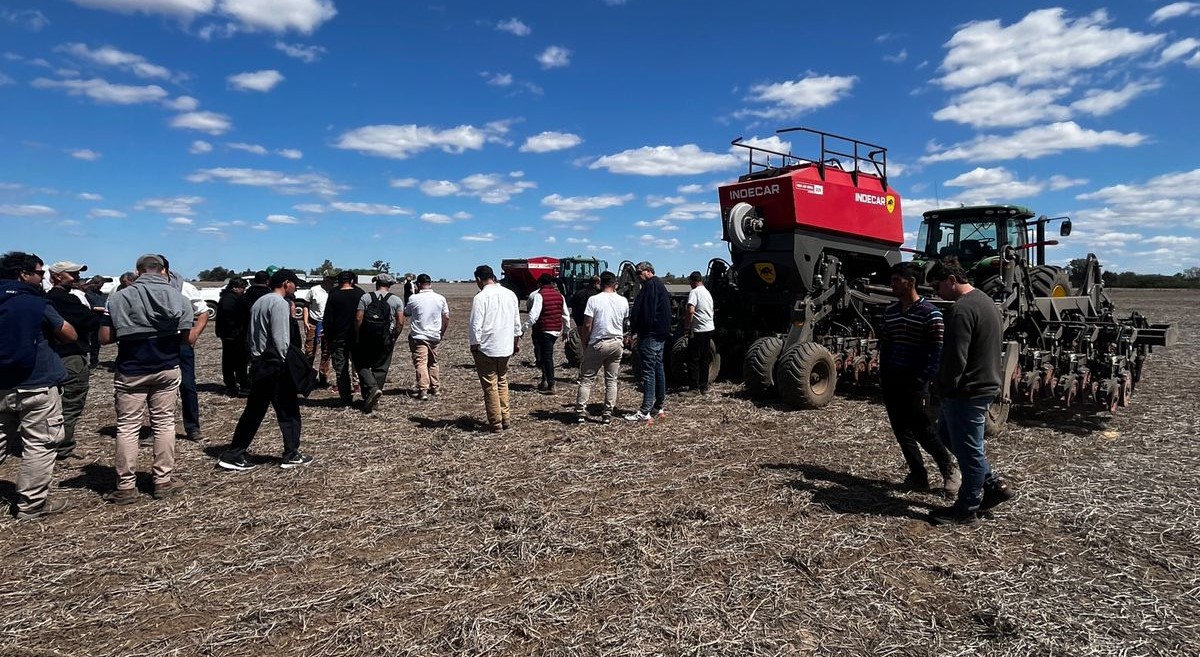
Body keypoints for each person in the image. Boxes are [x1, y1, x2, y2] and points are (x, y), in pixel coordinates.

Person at [100, 254, 206, 504]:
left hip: (131, 368)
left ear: (138, 272)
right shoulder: (178, 297)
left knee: (127, 427)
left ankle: (125, 486)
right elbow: (188, 339)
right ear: (162, 272)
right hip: (167, 367)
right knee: (165, 424)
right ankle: (162, 481)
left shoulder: (117, 298)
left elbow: (104, 338)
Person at [926, 257, 1014, 526]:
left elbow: (955, 360)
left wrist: (941, 388)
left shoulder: (961, 310)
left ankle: (967, 509)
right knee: (947, 435)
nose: (936, 292)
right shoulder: (986, 302)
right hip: (983, 385)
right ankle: (993, 485)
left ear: (952, 280)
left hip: (967, 391)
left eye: (937, 285)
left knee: (969, 451)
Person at [1, 251, 76, 520]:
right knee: (40, 443)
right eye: (39, 272)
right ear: (24, 275)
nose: (42, 277)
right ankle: (31, 505)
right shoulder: (35, 303)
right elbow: (68, 333)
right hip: (36, 383)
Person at [217, 269, 314, 471]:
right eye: (294, 284)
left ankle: (234, 453)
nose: (295, 288)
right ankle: (291, 453)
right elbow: (281, 339)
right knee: (288, 411)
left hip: (259, 362)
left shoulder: (260, 301)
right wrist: (284, 361)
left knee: (254, 411)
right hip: (274, 365)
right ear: (286, 283)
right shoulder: (279, 303)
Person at [879, 262, 960, 495]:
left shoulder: (930, 314)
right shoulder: (891, 312)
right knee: (900, 430)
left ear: (911, 282)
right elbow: (887, 345)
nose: (892, 285)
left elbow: (937, 350)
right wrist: (883, 375)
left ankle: (950, 470)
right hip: (893, 379)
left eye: (897, 280)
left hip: (916, 382)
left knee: (923, 429)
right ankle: (918, 475)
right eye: (892, 280)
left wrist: (924, 377)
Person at [45, 261, 100, 461]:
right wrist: (95, 315)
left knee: (53, 403)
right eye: (72, 274)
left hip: (53, 355)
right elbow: (89, 321)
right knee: (71, 402)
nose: (76, 277)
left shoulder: (48, 298)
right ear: (58, 276)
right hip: (71, 355)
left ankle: (49, 443)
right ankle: (63, 448)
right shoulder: (64, 299)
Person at [468, 265, 521, 432]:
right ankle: (506, 418)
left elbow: (476, 325)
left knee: (490, 384)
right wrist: (515, 342)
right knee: (502, 381)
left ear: (478, 279)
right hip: (505, 346)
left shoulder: (481, 297)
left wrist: (474, 344)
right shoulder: (510, 294)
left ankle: (495, 422)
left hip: (486, 347)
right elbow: (516, 323)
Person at [161, 255, 207, 442]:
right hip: (156, 341)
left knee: (187, 385)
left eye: (158, 269)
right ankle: (161, 428)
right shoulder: (141, 290)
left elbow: (202, 311)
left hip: (180, 342)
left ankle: (192, 427)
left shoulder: (185, 288)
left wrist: (195, 333)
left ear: (167, 270)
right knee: (159, 387)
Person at [574, 271, 629, 424]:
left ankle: (580, 412)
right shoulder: (623, 301)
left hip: (599, 342)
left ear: (600, 283)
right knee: (611, 380)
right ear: (615, 284)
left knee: (586, 380)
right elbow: (624, 321)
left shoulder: (594, 300)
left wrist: (585, 343)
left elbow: (587, 324)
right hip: (617, 342)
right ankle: (607, 413)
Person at [626, 261, 671, 422]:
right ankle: (658, 406)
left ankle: (645, 410)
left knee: (649, 372)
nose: (638, 276)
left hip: (650, 335)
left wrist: (638, 333)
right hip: (659, 335)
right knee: (658, 369)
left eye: (639, 273)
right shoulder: (658, 285)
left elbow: (647, 312)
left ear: (648, 271)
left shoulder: (651, 286)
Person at [354, 273, 405, 413]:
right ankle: (375, 394)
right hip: (385, 338)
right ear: (390, 285)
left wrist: (358, 335)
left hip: (366, 337)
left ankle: (371, 391)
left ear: (376, 283)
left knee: (361, 364)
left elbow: (358, 319)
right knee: (381, 367)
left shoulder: (366, 297)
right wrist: (394, 336)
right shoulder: (396, 300)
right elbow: (400, 322)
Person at [404, 273, 449, 401]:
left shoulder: (414, 298)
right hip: (434, 335)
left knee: (421, 362)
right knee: (433, 362)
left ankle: (423, 389)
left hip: (419, 336)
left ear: (418, 284)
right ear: (430, 284)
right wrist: (442, 332)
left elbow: (406, 312)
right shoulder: (440, 298)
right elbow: (446, 316)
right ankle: (435, 388)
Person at [323, 270, 364, 405]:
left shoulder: (334, 294)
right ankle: (366, 392)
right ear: (352, 281)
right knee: (360, 366)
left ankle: (345, 398)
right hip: (357, 337)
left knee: (341, 368)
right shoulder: (360, 294)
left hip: (338, 337)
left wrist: (328, 337)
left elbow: (328, 318)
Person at [527, 274, 566, 393]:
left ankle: (551, 383)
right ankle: (544, 380)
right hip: (556, 330)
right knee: (546, 356)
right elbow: (565, 314)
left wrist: (523, 329)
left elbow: (533, 316)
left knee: (547, 357)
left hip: (544, 329)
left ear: (540, 284)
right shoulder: (560, 296)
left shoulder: (539, 295)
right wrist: (566, 330)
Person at [216, 277, 250, 395]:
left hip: (230, 334)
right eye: (242, 288)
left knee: (230, 361)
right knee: (236, 361)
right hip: (233, 335)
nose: (244, 290)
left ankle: (232, 384)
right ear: (235, 287)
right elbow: (228, 317)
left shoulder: (228, 297)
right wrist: (239, 326)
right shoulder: (230, 299)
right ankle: (235, 384)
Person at [683, 270, 716, 394]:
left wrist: (687, 326)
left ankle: (694, 388)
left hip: (698, 329)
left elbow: (691, 310)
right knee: (704, 358)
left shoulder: (694, 292)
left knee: (693, 358)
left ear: (692, 282)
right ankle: (704, 386)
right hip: (709, 328)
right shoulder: (707, 293)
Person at [305, 274, 334, 386]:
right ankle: (307, 376)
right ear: (325, 278)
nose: (332, 281)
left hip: (327, 324)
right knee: (310, 351)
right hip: (313, 322)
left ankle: (323, 377)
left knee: (326, 351)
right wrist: (306, 321)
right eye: (330, 278)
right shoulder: (314, 290)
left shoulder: (334, 292)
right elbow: (306, 305)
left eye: (333, 279)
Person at [82, 275, 108, 368]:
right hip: (91, 320)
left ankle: (94, 361)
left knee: (96, 343)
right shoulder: (87, 294)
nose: (101, 286)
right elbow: (89, 306)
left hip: (99, 320)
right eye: (100, 284)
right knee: (87, 341)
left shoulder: (101, 294)